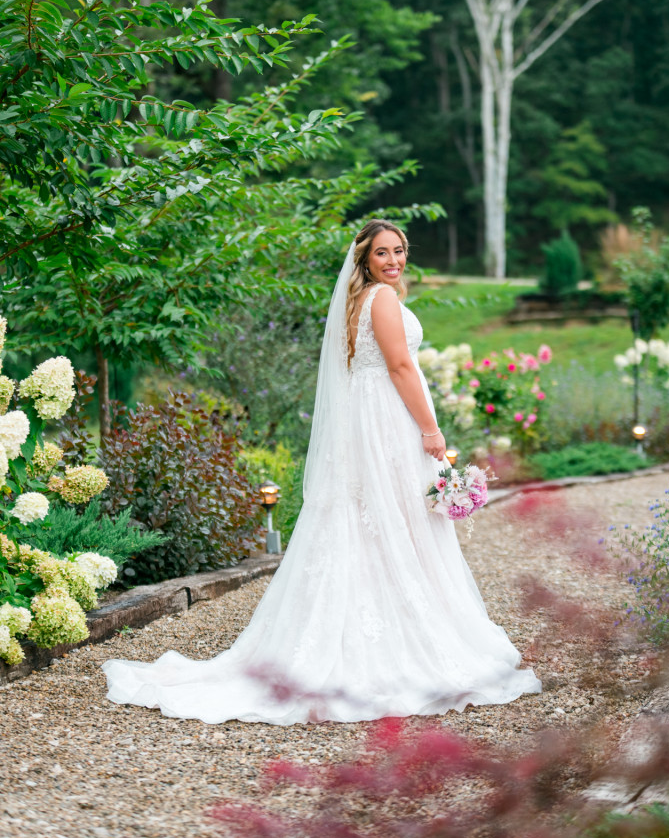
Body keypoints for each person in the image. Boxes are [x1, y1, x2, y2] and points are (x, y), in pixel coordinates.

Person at [102, 220, 541, 724]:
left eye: (400, 251)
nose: (394, 260)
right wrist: (430, 432)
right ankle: (401, 635)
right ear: (365, 259)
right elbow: (399, 367)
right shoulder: (381, 299)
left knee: (370, 520)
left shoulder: (359, 301)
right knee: (394, 519)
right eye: (383, 253)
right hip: (390, 425)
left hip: (368, 423)